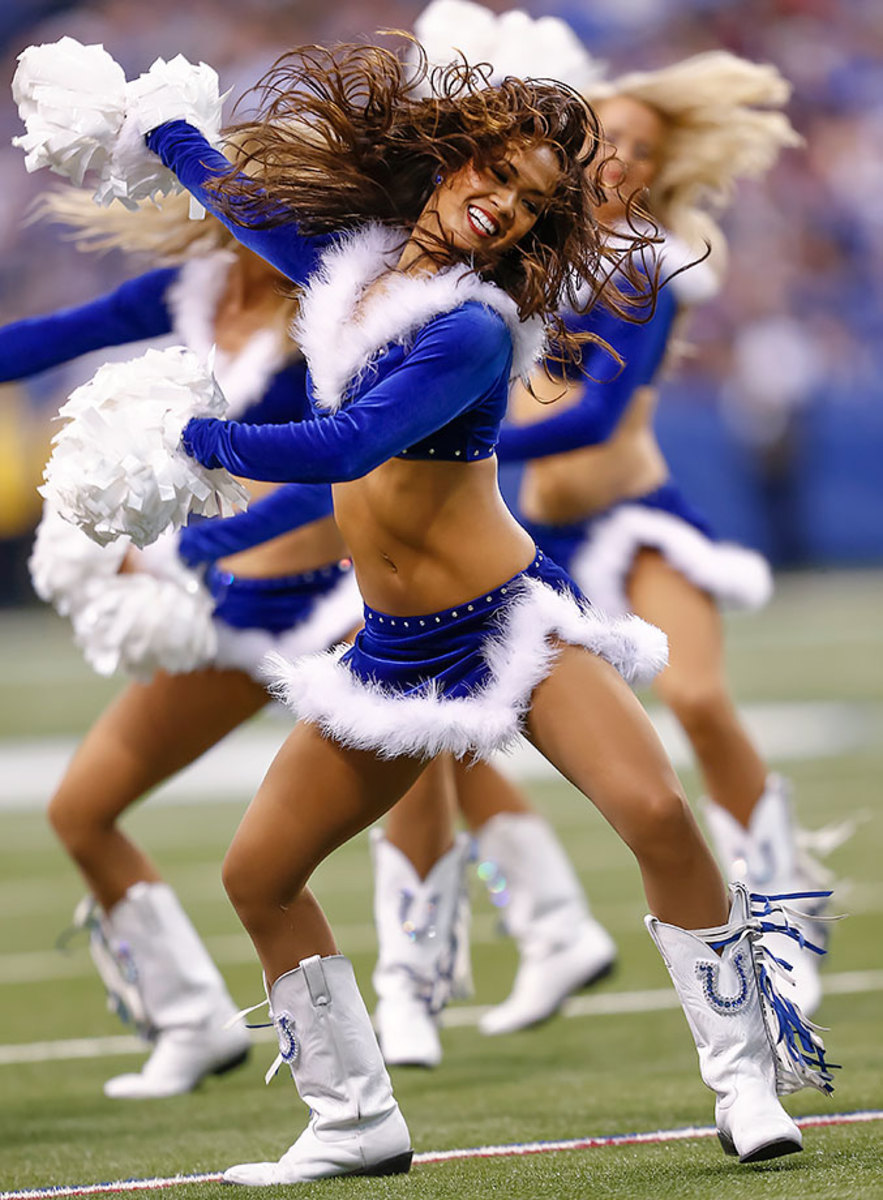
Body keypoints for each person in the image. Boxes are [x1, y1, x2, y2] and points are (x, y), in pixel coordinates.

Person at [19, 35, 834, 1183]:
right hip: (390, 650)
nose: (502, 205)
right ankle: (354, 1118)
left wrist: (192, 440)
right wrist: (160, 129)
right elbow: (253, 213)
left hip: (507, 622)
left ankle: (744, 1080)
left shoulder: (473, 327)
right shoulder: (350, 271)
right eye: (494, 174)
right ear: (451, 160)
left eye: (530, 203)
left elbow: (350, 443)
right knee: (258, 872)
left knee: (654, 811)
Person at [0, 184, 371, 1099]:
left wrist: (189, 549)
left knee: (442, 775)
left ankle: (459, 969)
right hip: (231, 609)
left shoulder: (337, 311)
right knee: (82, 810)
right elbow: (44, 340)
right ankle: (191, 1020)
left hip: (326, 603)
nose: (244, 210)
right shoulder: (192, 289)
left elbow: (333, 472)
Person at [492, 51, 836, 1015]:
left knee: (697, 697)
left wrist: (457, 427)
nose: (622, 160)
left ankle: (780, 898)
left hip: (637, 521)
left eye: (644, 150)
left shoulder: (650, 263)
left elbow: (596, 417)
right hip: (539, 539)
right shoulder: (515, 246)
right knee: (452, 732)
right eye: (607, 139)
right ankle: (541, 921)